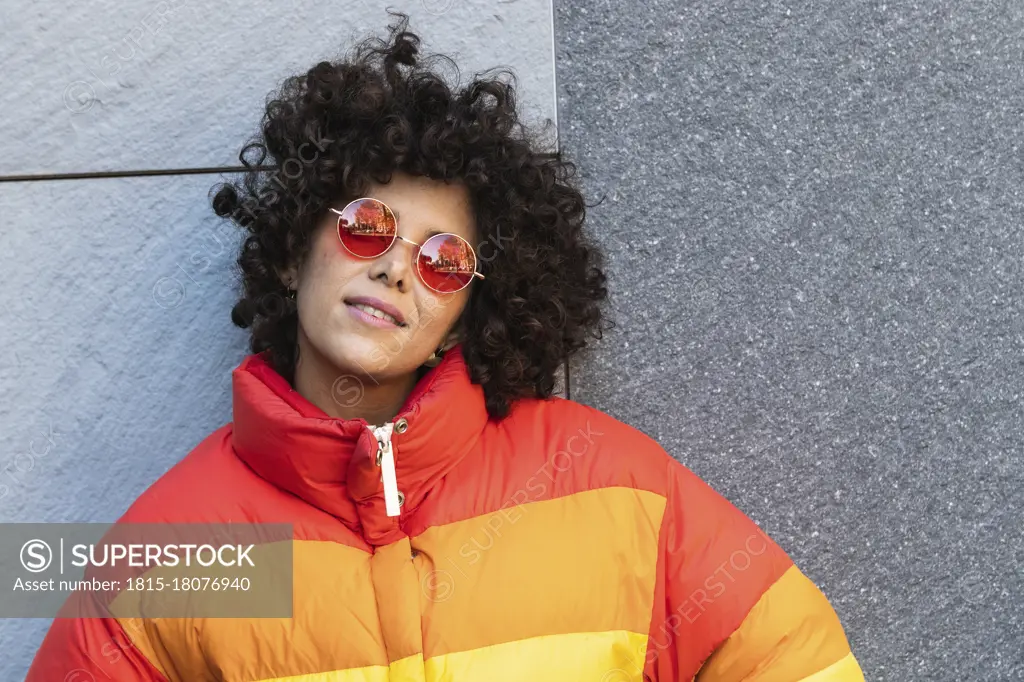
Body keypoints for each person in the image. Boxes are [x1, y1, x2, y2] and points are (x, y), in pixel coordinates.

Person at [26, 12, 864, 682]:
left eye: (441, 260)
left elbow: (794, 662)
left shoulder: (613, 487)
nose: (397, 269)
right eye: (365, 228)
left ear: (466, 313)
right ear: (291, 252)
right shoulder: (177, 551)